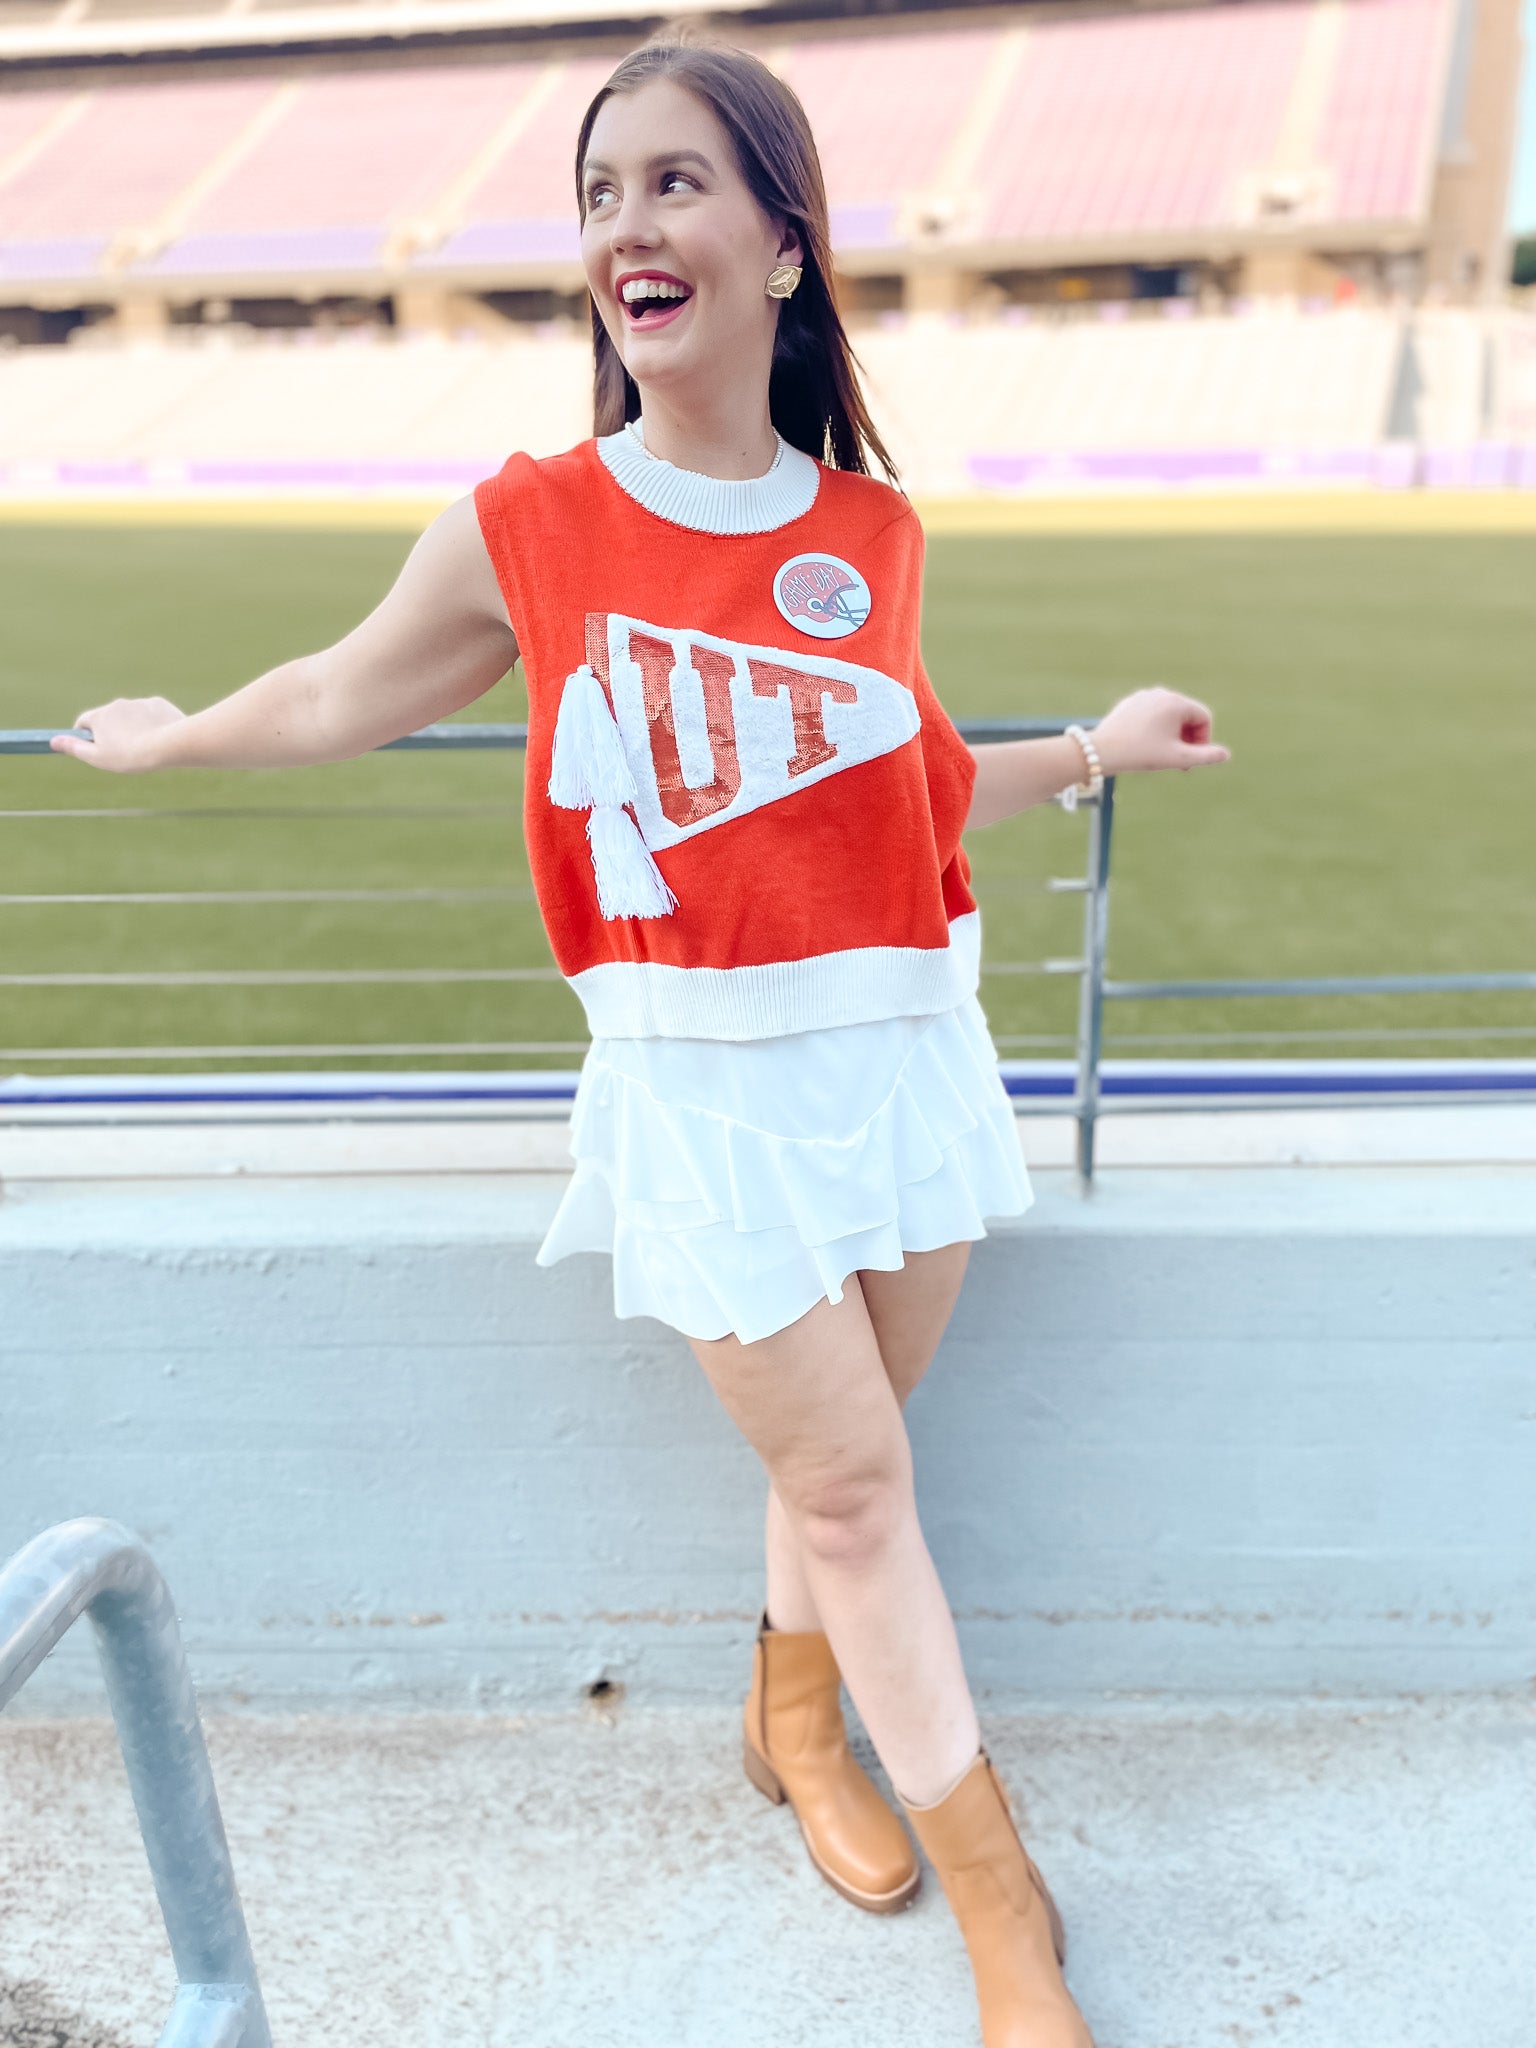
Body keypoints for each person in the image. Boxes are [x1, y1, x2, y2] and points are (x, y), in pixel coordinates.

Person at [51, 37, 1230, 2047]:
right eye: (602, 194)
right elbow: (345, 690)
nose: (628, 226)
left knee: (843, 1466)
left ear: (783, 244)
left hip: (905, 1051)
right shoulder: (537, 522)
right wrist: (180, 736)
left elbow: (910, 779)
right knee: (855, 1488)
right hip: (707, 1085)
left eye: (676, 185)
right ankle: (1006, 1912)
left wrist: (1098, 751)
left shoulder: (872, 526)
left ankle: (794, 1725)